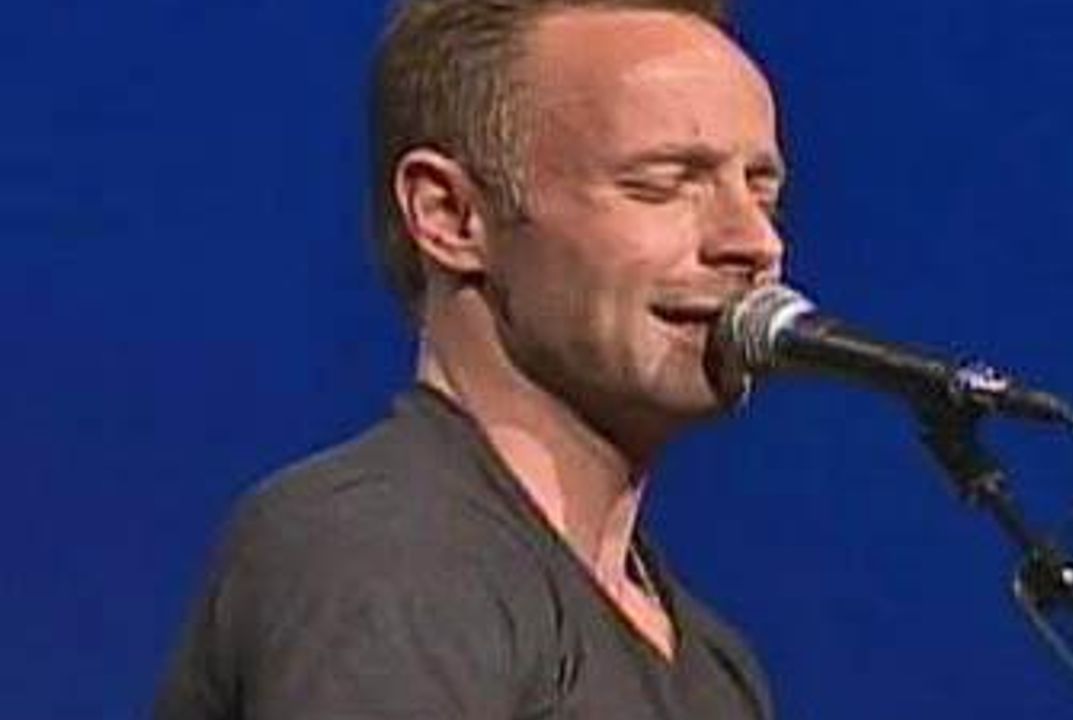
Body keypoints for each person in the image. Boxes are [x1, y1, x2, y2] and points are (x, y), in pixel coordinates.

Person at [156, 0, 787, 717]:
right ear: (450, 216)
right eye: (663, 184)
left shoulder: (716, 665)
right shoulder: (385, 552)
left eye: (762, 193)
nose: (754, 242)